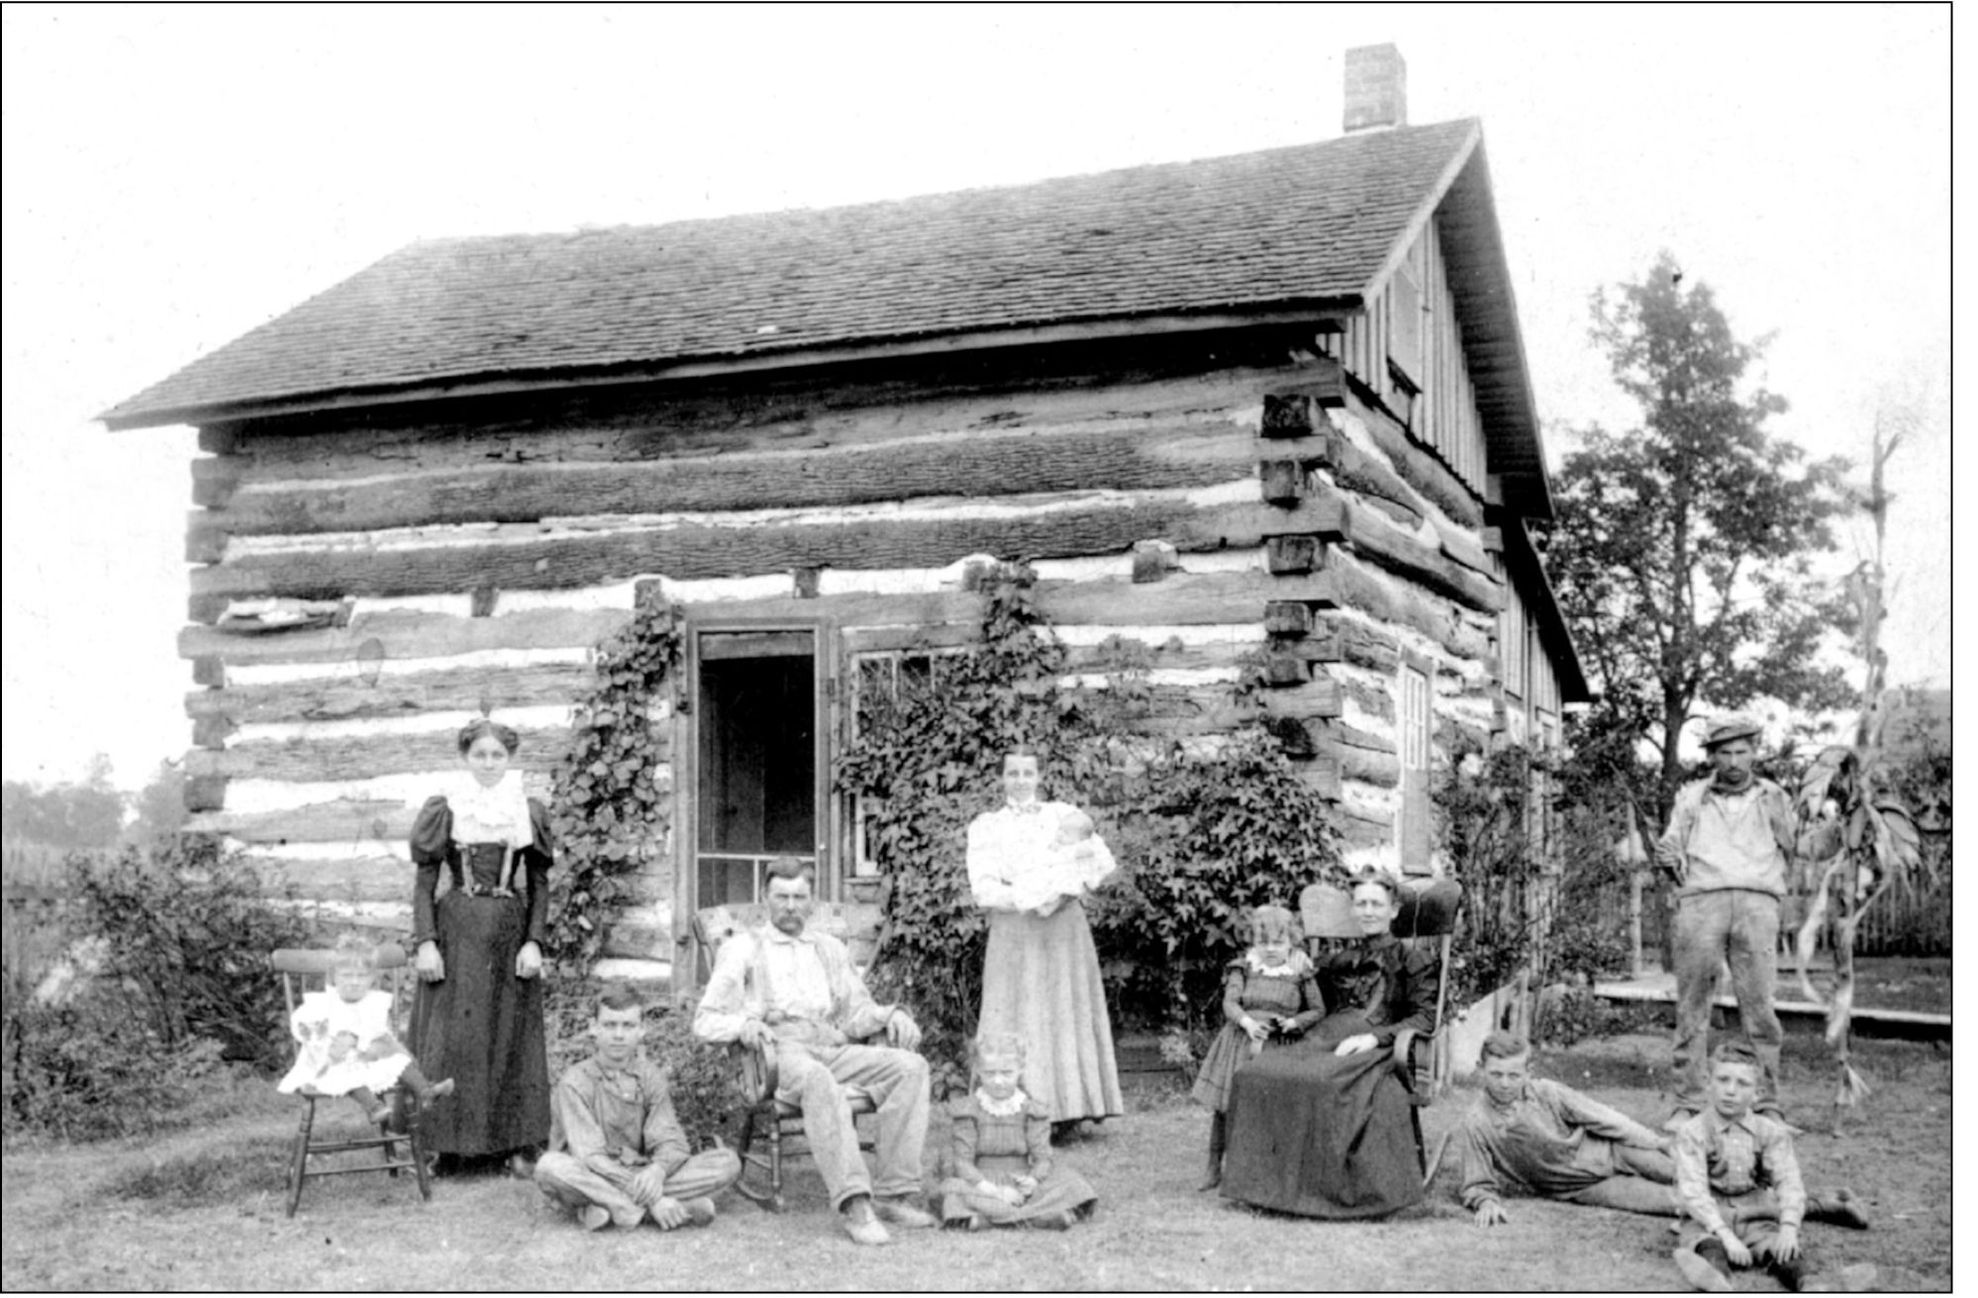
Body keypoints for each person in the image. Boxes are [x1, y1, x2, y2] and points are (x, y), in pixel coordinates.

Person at [693, 859, 934, 1246]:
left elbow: (855, 1014)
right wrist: (742, 1026)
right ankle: (855, 1203)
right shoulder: (742, 949)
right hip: (777, 1053)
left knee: (911, 1067)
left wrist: (890, 1014)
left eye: (799, 897)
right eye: (781, 896)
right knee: (818, 1080)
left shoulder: (829, 948)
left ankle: (893, 1193)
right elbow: (704, 1022)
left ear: (812, 901)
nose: (790, 906)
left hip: (829, 1045)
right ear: (765, 898)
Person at [1217, 870, 1439, 1219]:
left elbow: (1424, 1018)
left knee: (1324, 1082)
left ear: (1394, 910)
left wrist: (1373, 1038)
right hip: (1326, 1033)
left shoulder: (1413, 959)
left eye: (1376, 904)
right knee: (1258, 1072)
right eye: (1361, 903)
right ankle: (1264, 1186)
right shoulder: (1337, 959)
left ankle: (1323, 1190)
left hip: (1375, 1041)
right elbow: (1303, 990)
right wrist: (1294, 962)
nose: (1368, 911)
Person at [1656, 716, 1837, 1125]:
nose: (1735, 761)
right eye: (1725, 753)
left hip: (1758, 905)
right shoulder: (1693, 797)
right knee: (1692, 1006)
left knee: (1759, 1007)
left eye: (1742, 752)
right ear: (1712, 757)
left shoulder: (1774, 796)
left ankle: (1767, 1104)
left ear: (1754, 753)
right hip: (1702, 902)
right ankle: (1687, 1103)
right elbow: (1671, 843)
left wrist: (1841, 830)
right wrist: (1667, 856)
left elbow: (1803, 845)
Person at [409, 717, 555, 1174]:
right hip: (458, 932)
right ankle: (447, 1147)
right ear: (465, 757)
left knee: (510, 1034)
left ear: (509, 759)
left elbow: (539, 884)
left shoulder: (525, 808)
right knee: (455, 1039)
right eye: (479, 755)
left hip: (508, 933)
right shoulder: (447, 808)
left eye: (497, 755)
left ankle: (512, 1144)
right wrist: (426, 942)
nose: (488, 764)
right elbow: (424, 883)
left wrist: (534, 942)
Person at [965, 749, 1123, 1133]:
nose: (1021, 780)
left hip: (1064, 929)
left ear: (1039, 776)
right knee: (1018, 1014)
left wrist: (1063, 894)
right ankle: (1014, 1109)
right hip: (1015, 930)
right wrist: (1026, 899)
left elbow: (1098, 862)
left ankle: (1070, 1108)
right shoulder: (987, 826)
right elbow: (983, 888)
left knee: (1062, 1012)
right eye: (1013, 773)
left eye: (1028, 772)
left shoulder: (1061, 814)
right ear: (1002, 778)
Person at [535, 985, 742, 1232]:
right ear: (594, 1028)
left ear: (641, 1030)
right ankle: (658, 1211)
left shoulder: (650, 1076)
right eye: (610, 1025)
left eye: (628, 1026)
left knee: (728, 1162)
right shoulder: (575, 1082)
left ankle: (606, 1208)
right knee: (549, 1167)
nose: (619, 1035)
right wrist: (653, 1198)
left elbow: (670, 1141)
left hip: (638, 1172)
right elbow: (589, 1156)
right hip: (592, 1173)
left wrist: (658, 1170)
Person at [1670, 1043, 1873, 1293]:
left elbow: (1789, 1182)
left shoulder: (1770, 1132)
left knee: (1782, 1249)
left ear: (1758, 1093)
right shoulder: (1693, 1131)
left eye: (1742, 1084)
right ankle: (1715, 1281)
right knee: (1709, 1246)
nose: (1730, 1091)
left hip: (1757, 1214)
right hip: (1709, 1218)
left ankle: (1812, 1284)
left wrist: (1789, 1228)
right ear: (1708, 1083)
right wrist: (1726, 1235)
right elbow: (1693, 1192)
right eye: (1722, 1080)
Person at [1458, 1031, 1678, 1224]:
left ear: (1529, 1072)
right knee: (1677, 1203)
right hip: (1578, 1187)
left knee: (1682, 1173)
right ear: (1480, 1069)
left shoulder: (1548, 1092)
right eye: (1496, 1074)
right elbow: (1476, 1181)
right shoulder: (1477, 1122)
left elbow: (1607, 1120)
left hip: (1611, 1150)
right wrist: (1485, 1203)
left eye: (1513, 1075)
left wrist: (1657, 1142)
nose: (1504, 1083)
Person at [1190, 904, 1325, 1191]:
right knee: (1226, 1107)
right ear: (1254, 941)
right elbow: (1230, 1003)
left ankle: (1266, 1167)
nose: (1271, 949)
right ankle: (1214, 1165)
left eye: (1279, 942)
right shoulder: (1245, 967)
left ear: (1291, 940)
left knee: (1273, 1107)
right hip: (1241, 1041)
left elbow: (1317, 1010)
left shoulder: (1300, 971)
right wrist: (1248, 1023)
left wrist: (1293, 1023)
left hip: (1280, 1046)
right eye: (1263, 942)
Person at [278, 933, 453, 1125]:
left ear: (371, 979)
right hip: (332, 1064)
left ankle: (425, 1091)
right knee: (348, 1077)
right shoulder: (323, 1003)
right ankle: (374, 1107)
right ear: (334, 977)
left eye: (361, 976)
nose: (354, 982)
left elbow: (378, 1033)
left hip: (367, 1058)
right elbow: (301, 1023)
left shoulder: (373, 1003)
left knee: (398, 1061)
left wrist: (359, 1040)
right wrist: (315, 1034)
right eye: (347, 975)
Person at [938, 1032, 1098, 1231]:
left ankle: (985, 1221)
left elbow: (1043, 1158)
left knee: (1073, 1183)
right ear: (978, 1071)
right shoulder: (968, 1110)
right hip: (982, 1183)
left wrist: (1032, 1181)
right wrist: (995, 1192)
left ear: (1020, 1070)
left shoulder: (1031, 1110)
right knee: (953, 1192)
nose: (998, 1081)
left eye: (1006, 1073)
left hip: (1021, 1181)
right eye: (990, 1073)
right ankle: (1037, 1219)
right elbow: (962, 1162)